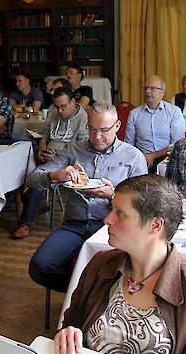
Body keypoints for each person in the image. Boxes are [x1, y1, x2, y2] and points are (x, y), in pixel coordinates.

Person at [57, 175, 186, 354]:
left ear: (155, 225)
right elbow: (72, 324)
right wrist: (68, 334)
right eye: (112, 209)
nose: (107, 219)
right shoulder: (101, 265)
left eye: (120, 213)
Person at [26, 103, 147, 291]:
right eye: (92, 129)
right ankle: (84, 293)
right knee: (39, 267)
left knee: (116, 271)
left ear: (117, 126)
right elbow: (32, 179)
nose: (97, 137)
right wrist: (55, 175)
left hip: (113, 228)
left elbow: (144, 205)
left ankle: (91, 295)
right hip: (75, 224)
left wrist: (113, 195)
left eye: (104, 130)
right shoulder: (73, 150)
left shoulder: (133, 157)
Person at [12, 87, 89, 239]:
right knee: (19, 160)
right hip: (48, 154)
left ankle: (25, 223)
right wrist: (42, 150)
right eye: (57, 106)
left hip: (67, 159)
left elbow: (82, 147)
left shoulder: (82, 117)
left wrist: (56, 155)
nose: (60, 111)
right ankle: (32, 202)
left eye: (63, 106)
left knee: (39, 177)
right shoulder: (54, 112)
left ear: (73, 101)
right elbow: (44, 136)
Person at [124, 75, 185, 170]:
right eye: (146, 88)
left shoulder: (174, 112)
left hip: (168, 160)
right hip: (142, 160)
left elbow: (178, 143)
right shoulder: (135, 114)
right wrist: (139, 158)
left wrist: (153, 156)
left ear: (162, 93)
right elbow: (129, 144)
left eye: (152, 88)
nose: (147, 91)